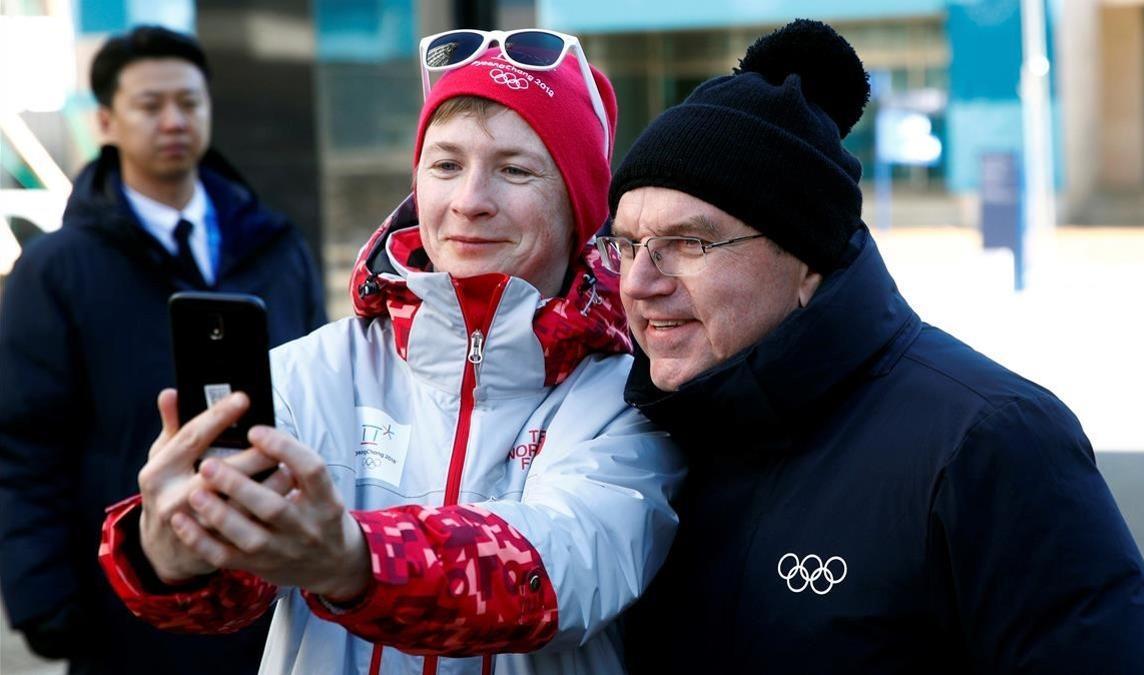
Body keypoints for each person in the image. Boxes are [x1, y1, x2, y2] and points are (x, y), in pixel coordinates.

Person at [602, 19, 1144, 674]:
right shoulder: (637, 434)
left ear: (806, 261)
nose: (639, 282)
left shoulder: (990, 442)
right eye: (625, 243)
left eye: (689, 242)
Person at [96, 29, 684, 675]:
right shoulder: (309, 373)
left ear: (578, 207)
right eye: (446, 164)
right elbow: (228, 598)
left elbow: (564, 572)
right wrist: (175, 546)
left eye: (515, 169)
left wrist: (353, 558)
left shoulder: (627, 397)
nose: (469, 201)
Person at [0, 25, 326, 675]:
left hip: (275, 586)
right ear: (105, 121)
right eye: (151, 105)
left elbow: (325, 398)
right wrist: (43, 595)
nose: (174, 120)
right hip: (127, 593)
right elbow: (22, 439)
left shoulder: (275, 244)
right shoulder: (57, 268)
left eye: (190, 102)